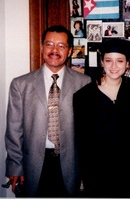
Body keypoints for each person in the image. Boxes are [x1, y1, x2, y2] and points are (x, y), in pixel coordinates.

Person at [5, 25, 91, 197]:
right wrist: (15, 166)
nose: (54, 50)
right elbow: (14, 130)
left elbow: (88, 130)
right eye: (49, 44)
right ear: (42, 47)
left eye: (61, 46)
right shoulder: (21, 85)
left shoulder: (84, 82)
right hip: (32, 165)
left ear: (70, 51)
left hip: (70, 164)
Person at [73, 38, 130, 197]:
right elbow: (81, 139)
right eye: (108, 60)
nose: (113, 66)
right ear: (102, 62)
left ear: (127, 64)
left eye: (119, 61)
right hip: (98, 173)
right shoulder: (83, 96)